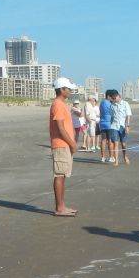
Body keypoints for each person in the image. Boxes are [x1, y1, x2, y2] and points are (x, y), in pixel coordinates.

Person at [50, 77, 80, 216]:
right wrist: (72, 144)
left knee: (63, 175)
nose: (70, 91)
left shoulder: (62, 104)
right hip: (61, 144)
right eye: (68, 89)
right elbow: (60, 128)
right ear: (61, 89)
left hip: (64, 144)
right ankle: (60, 208)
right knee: (60, 175)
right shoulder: (58, 104)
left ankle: (62, 206)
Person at [112, 91, 132, 165]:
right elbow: (111, 116)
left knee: (123, 144)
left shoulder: (125, 104)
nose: (114, 99)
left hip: (122, 126)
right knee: (115, 143)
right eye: (113, 98)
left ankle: (125, 156)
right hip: (114, 126)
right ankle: (116, 161)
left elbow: (128, 115)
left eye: (115, 98)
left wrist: (127, 126)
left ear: (119, 96)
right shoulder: (112, 105)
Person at [99, 91, 116, 163]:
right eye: (112, 97)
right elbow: (113, 113)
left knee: (103, 140)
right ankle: (111, 157)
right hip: (109, 123)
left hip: (102, 123)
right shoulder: (110, 104)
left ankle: (103, 157)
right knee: (110, 140)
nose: (113, 99)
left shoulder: (102, 103)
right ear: (108, 96)